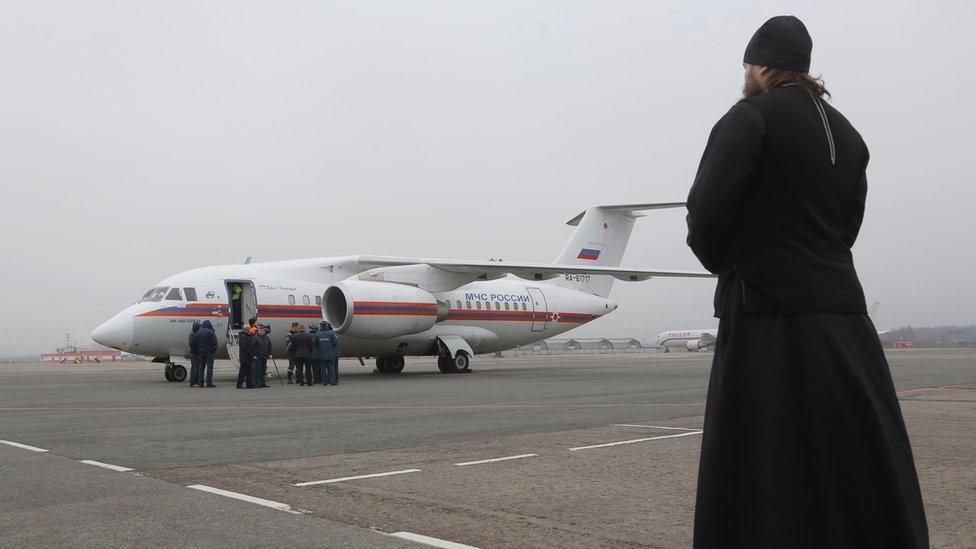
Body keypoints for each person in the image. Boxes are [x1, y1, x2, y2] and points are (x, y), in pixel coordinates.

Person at [686, 16, 927, 548]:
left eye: (748, 64)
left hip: (766, 321)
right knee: (848, 463)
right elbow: (847, 229)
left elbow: (704, 220)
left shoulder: (748, 119)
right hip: (845, 324)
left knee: (766, 468)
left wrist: (742, 265)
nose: (746, 73)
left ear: (763, 65)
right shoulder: (849, 134)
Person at [313, 321, 340, 386]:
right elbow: (335, 343)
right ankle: (332, 381)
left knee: (323, 369)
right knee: (331, 368)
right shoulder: (331, 333)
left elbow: (315, 344)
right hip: (330, 354)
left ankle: (324, 382)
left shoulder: (317, 334)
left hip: (321, 354)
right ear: (327, 326)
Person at [194, 320, 218, 388]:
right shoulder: (211, 332)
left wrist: (199, 349)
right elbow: (215, 342)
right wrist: (214, 350)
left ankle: (200, 383)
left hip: (201, 352)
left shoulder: (198, 332)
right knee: (209, 367)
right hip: (209, 352)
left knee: (201, 367)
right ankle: (209, 382)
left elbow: (195, 342)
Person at [187, 321, 202, 387]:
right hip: (195, 353)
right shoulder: (193, 334)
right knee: (195, 368)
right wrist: (199, 348)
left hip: (195, 353)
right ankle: (193, 382)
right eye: (199, 327)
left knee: (196, 368)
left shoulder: (193, 333)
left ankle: (195, 382)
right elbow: (192, 344)